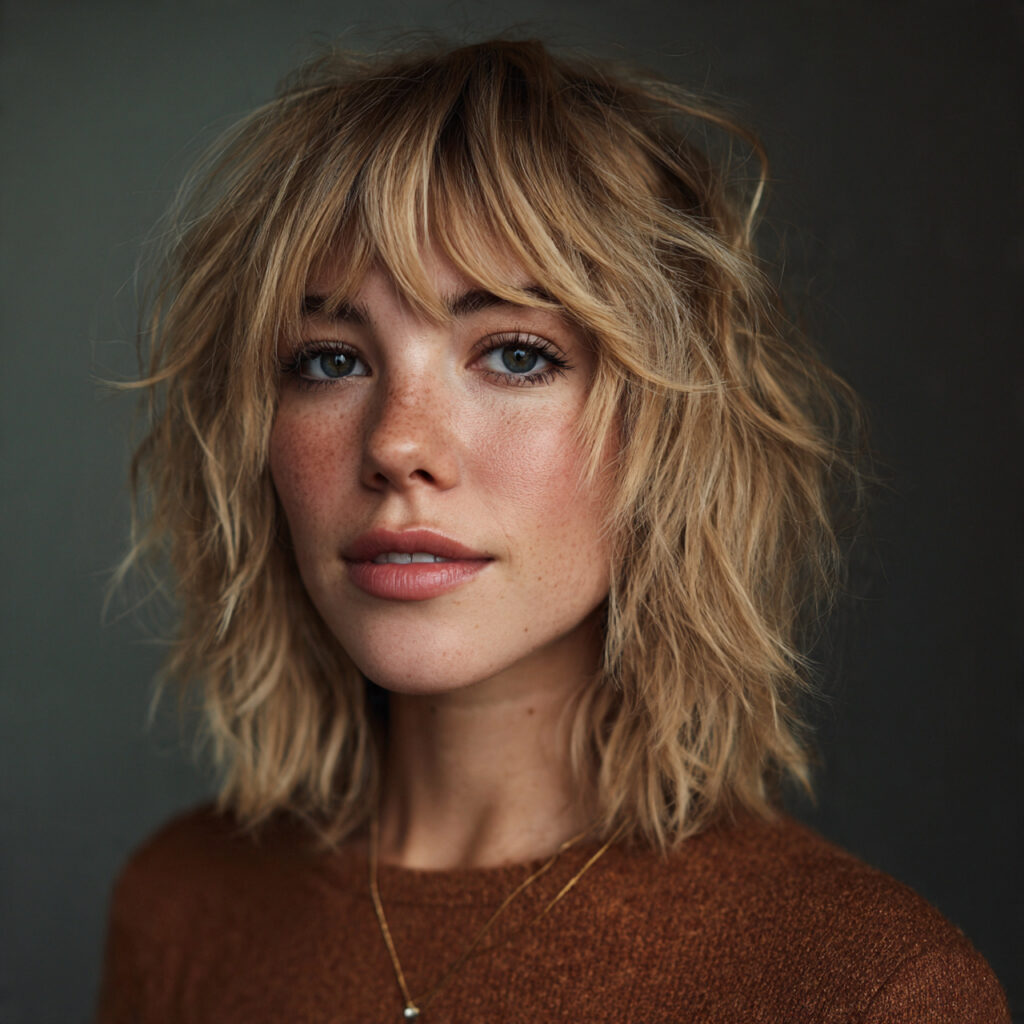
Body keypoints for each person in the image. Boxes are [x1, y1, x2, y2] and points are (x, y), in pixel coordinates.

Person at [97, 36, 1009, 1023]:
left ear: (669, 427)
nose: (399, 444)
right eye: (328, 360)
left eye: (516, 355)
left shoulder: (865, 985)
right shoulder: (182, 905)